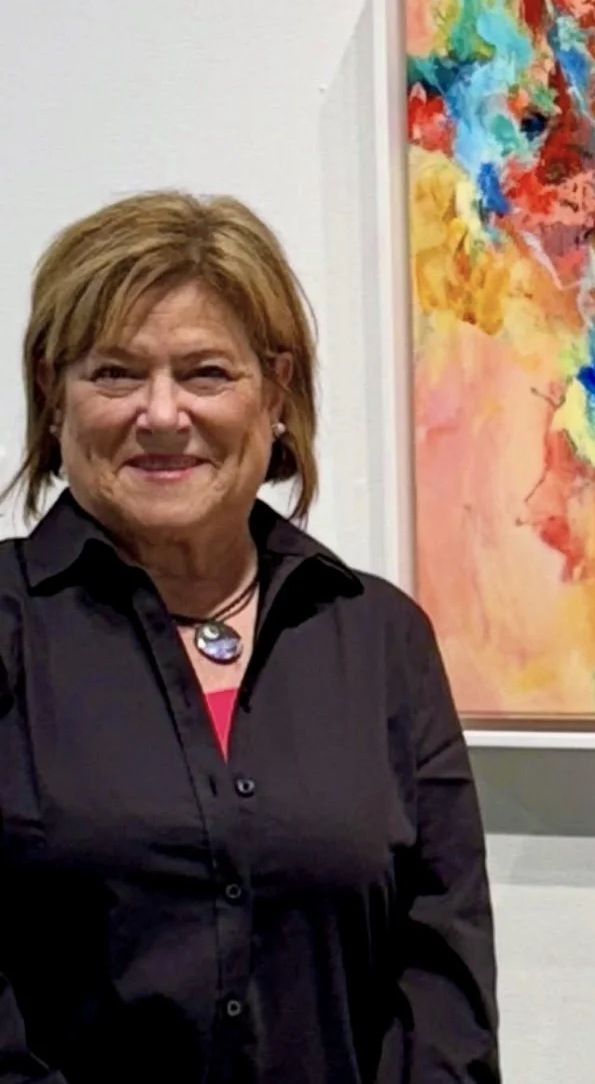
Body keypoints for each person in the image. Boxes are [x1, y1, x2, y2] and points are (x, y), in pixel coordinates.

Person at [0, 191, 500, 1084]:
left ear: (275, 393)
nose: (161, 413)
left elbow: (441, 976)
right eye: (114, 373)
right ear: (53, 395)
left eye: (205, 373)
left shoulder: (380, 638)